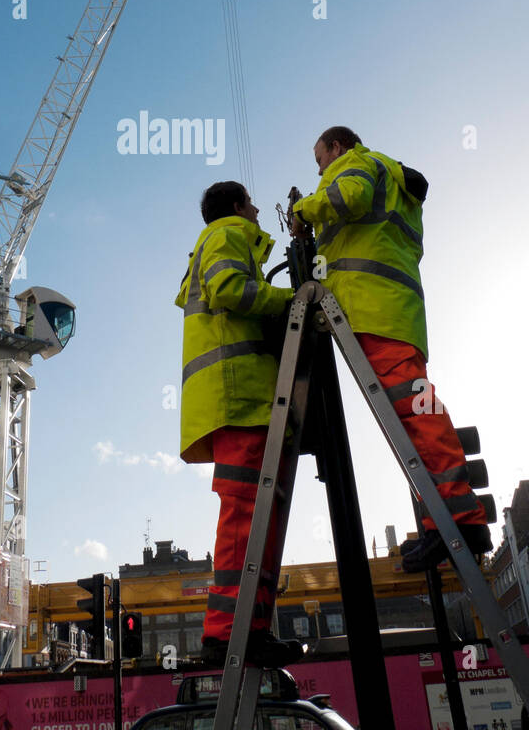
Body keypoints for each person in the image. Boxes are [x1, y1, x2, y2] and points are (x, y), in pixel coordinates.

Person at [290, 126, 492, 573]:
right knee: (410, 421)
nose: (320, 168)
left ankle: (460, 517)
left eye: (320, 157)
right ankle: (440, 522)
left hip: (373, 305)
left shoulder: (356, 163)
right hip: (389, 306)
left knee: (416, 412)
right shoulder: (394, 177)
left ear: (337, 147)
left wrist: (304, 210)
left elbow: (348, 197)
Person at [175, 180, 302, 668]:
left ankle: (247, 629)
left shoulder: (222, 240)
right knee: (247, 518)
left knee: (258, 520)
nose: (255, 212)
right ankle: (228, 632)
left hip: (241, 398)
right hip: (239, 396)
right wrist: (285, 302)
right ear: (234, 206)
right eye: (250, 204)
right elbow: (230, 291)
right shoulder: (227, 232)